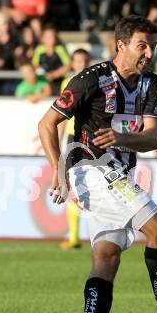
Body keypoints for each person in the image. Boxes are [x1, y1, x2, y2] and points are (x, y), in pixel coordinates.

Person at [38, 15, 157, 313]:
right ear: (121, 45)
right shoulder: (90, 80)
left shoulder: (151, 85)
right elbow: (47, 122)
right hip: (91, 169)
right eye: (142, 45)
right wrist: (57, 169)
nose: (149, 53)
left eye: (153, 46)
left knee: (107, 255)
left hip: (119, 174)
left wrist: (123, 137)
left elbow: (152, 138)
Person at [58, 48, 91, 250]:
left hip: (91, 137)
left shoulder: (97, 82)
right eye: (78, 61)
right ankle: (74, 237)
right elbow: (60, 115)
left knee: (96, 186)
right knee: (73, 184)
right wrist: (59, 139)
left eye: (85, 61)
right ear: (72, 64)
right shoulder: (67, 83)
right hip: (73, 138)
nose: (81, 64)